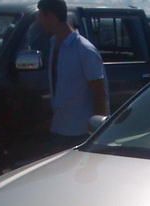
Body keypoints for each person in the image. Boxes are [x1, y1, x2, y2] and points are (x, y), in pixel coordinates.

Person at [37, 0, 109, 152]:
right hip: (58, 127)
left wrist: (98, 134)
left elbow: (99, 93)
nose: (39, 21)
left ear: (51, 16)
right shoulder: (53, 43)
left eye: (41, 16)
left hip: (80, 132)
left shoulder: (84, 49)